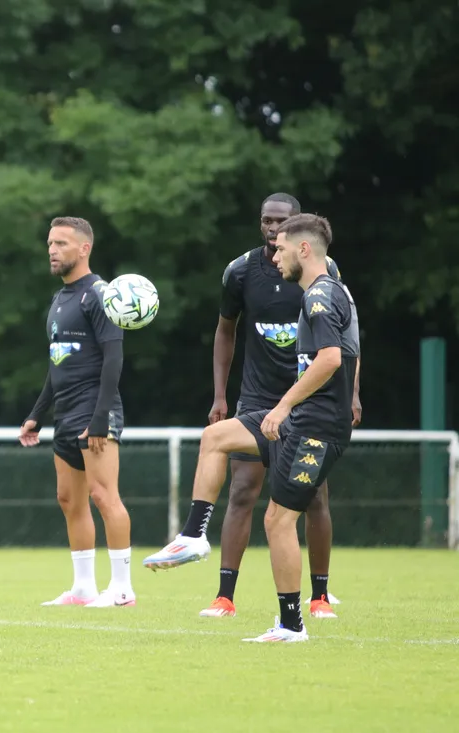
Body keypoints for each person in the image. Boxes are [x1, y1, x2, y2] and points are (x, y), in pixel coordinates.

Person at [144, 214, 359, 642]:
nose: (273, 256)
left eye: (280, 249)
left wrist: (281, 407)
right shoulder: (327, 292)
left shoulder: (319, 297)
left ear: (303, 249)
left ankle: (293, 624)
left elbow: (332, 359)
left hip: (316, 428)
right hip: (300, 420)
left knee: (279, 521)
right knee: (215, 438)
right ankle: (193, 536)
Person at [19, 217, 136, 608]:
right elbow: (57, 364)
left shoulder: (100, 295)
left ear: (84, 248)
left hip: (94, 411)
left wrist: (100, 418)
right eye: (50, 243)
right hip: (65, 414)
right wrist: (37, 413)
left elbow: (113, 359)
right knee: (69, 499)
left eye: (62, 244)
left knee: (105, 496)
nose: (52, 250)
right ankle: (84, 587)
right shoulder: (59, 299)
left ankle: (121, 589)